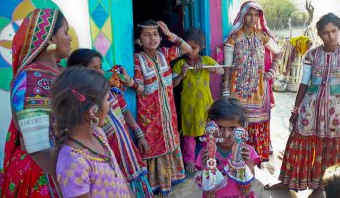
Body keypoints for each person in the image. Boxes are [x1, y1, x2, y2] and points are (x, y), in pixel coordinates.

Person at [265, 13, 340, 196]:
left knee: (328, 148)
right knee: (297, 142)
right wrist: (296, 108)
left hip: (334, 114)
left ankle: (320, 187)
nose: (330, 36)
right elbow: (304, 83)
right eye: (325, 33)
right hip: (310, 109)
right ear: (319, 35)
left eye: (334, 31)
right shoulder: (312, 55)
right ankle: (287, 182)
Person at [2, 8, 72, 197]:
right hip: (47, 173)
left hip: (68, 164)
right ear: (49, 38)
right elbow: (37, 147)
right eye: (65, 31)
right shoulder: (31, 79)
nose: (70, 38)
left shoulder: (60, 71)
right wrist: (70, 181)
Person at [67, 48, 153, 197]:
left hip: (127, 152)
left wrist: (139, 134)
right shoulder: (81, 104)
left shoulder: (112, 92)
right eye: (93, 68)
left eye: (100, 67)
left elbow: (126, 112)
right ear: (79, 73)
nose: (100, 72)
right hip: (109, 162)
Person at [52, 67, 134, 197]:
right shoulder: (72, 162)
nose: (109, 105)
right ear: (92, 110)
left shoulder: (98, 134)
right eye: (107, 99)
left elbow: (118, 175)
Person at [133, 20, 192, 195]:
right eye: (147, 34)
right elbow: (141, 88)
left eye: (155, 34)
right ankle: (156, 186)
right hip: (150, 117)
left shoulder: (164, 54)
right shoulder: (138, 59)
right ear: (139, 40)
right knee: (153, 147)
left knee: (170, 142)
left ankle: (170, 181)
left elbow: (187, 49)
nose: (152, 38)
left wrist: (168, 33)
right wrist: (130, 83)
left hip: (169, 114)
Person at [222, 1, 282, 165]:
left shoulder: (262, 36)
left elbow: (278, 52)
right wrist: (225, 90)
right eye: (250, 14)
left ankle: (253, 161)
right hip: (237, 89)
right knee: (237, 121)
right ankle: (236, 159)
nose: (253, 18)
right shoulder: (234, 38)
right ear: (243, 15)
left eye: (256, 15)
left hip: (259, 91)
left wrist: (271, 72)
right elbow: (227, 67)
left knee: (257, 123)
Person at [172, 28, 224, 172]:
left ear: (201, 47)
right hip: (188, 106)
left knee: (206, 134)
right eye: (187, 48)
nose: (190, 51)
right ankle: (188, 161)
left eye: (193, 48)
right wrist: (182, 74)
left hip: (205, 106)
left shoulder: (206, 60)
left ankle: (205, 159)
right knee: (189, 136)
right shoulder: (180, 64)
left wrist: (208, 67)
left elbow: (222, 70)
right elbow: (173, 84)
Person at [195, 97, 260, 198]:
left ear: (242, 128)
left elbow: (246, 191)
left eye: (232, 128)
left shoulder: (247, 152)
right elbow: (208, 192)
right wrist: (206, 168)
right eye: (220, 127)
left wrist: (244, 164)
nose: (226, 135)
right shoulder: (206, 153)